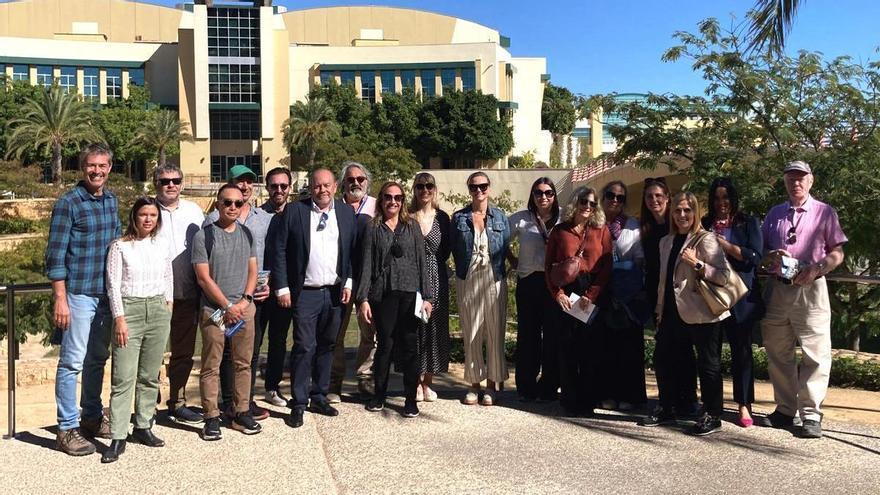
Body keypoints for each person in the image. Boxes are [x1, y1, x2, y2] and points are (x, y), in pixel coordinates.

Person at [757, 160, 846, 438]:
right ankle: (785, 409)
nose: (795, 182)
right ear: (785, 182)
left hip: (811, 289)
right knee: (777, 352)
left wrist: (817, 268)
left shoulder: (825, 212)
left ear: (810, 181)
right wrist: (769, 257)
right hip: (778, 289)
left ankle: (811, 414)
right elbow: (761, 252)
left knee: (816, 353)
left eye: (800, 178)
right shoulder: (774, 214)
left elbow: (838, 252)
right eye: (791, 178)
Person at [46, 143, 120, 456]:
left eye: (102, 166)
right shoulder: (69, 203)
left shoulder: (112, 201)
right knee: (72, 362)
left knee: (97, 359)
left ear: (110, 168)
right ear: (82, 167)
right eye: (92, 165)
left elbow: (118, 247)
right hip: (77, 294)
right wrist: (60, 298)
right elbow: (55, 254)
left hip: (105, 295)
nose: (97, 171)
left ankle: (91, 416)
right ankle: (66, 428)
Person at [270, 168, 357, 428]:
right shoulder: (295, 211)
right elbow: (280, 249)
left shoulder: (345, 213)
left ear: (335, 186)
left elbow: (350, 251)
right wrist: (282, 287)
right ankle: (299, 403)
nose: (322, 190)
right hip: (305, 293)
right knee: (304, 346)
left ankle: (319, 396)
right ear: (311, 187)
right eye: (318, 186)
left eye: (327, 185)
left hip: (334, 292)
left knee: (327, 345)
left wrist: (348, 281)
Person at [650, 192, 730, 436]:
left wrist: (697, 264)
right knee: (663, 359)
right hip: (671, 311)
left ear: (695, 213)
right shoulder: (666, 242)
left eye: (687, 210)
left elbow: (723, 276)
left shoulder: (705, 239)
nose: (682, 215)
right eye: (677, 210)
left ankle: (713, 414)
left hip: (702, 311)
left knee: (708, 364)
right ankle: (667, 407)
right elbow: (663, 280)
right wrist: (659, 308)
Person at [102, 197, 173, 463]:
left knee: (149, 375)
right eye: (143, 214)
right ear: (134, 217)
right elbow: (113, 285)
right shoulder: (120, 246)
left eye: (153, 215)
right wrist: (119, 318)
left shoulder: (161, 244)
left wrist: (168, 304)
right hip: (129, 311)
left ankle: (143, 425)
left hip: (157, 309)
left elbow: (168, 276)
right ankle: (118, 435)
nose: (148, 219)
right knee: (123, 377)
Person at [357, 182, 434, 417]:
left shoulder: (412, 226)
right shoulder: (373, 228)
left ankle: (410, 399)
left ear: (403, 201)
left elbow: (421, 262)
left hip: (409, 293)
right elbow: (366, 264)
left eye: (398, 198)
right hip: (383, 294)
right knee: (385, 346)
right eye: (388, 197)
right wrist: (363, 298)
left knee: (410, 346)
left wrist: (428, 296)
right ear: (381, 200)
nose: (393, 202)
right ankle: (379, 395)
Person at [192, 184, 261, 440]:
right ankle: (211, 416)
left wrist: (245, 300)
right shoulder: (204, 236)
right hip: (215, 310)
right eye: (227, 202)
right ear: (218, 204)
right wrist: (226, 306)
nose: (233, 207)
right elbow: (203, 278)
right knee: (212, 365)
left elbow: (253, 270)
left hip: (243, 309)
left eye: (238, 203)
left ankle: (241, 411)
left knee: (243, 363)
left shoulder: (247, 234)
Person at [204, 165, 272, 420]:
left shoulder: (262, 218)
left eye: (248, 182)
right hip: (219, 303)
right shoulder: (211, 221)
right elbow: (205, 269)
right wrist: (225, 304)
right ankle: (225, 403)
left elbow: (265, 257)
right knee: (222, 355)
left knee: (247, 354)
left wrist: (254, 293)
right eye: (239, 182)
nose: (244, 187)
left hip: (250, 298)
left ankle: (245, 402)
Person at [700, 177, 764, 428]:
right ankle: (711, 403)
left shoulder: (748, 222)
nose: (721, 202)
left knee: (742, 352)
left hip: (740, 297)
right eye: (716, 198)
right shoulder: (705, 223)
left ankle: (744, 403)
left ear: (733, 198)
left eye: (726, 197)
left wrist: (725, 245)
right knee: (710, 353)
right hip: (711, 295)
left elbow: (755, 257)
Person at [545, 187, 612, 417]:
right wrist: (558, 294)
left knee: (590, 349)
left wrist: (591, 295)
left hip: (591, 289)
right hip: (567, 291)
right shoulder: (560, 231)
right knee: (567, 347)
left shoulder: (601, 230)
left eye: (593, 203)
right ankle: (569, 400)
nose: (588, 207)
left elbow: (606, 266)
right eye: (584, 201)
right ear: (575, 202)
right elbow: (549, 266)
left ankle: (587, 400)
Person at [450, 172, 510, 406]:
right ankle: (474, 384)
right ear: (469, 190)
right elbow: (453, 247)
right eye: (474, 187)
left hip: (494, 277)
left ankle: (491, 386)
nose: (479, 191)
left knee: (495, 332)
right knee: (472, 331)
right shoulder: (459, 218)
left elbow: (505, 246)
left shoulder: (500, 217)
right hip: (468, 277)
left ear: (489, 188)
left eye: (483, 186)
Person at [640, 177, 698, 419]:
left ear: (667, 198)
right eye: (649, 196)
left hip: (682, 295)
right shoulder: (646, 229)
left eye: (658, 196)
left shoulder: (677, 228)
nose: (654, 200)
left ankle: (688, 401)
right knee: (664, 351)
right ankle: (668, 402)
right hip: (659, 295)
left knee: (683, 350)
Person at [154, 164, 207, 426]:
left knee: (183, 352)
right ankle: (147, 407)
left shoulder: (194, 211)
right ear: (156, 184)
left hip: (187, 293)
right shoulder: (148, 211)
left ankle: (178, 402)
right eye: (165, 181)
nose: (171, 185)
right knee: (151, 354)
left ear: (182, 183)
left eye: (175, 180)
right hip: (155, 295)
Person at [507, 177, 560, 403]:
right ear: (532, 195)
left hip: (554, 283)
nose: (543, 197)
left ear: (554, 195)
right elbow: (500, 240)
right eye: (538, 193)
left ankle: (549, 387)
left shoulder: (563, 218)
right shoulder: (521, 218)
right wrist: (513, 260)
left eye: (548, 193)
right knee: (528, 336)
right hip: (529, 280)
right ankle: (526, 387)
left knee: (553, 336)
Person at [329, 161, 378, 403]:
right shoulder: (334, 208)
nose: (355, 183)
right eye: (350, 179)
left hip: (370, 278)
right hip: (342, 279)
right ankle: (334, 382)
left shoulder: (377, 206)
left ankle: (365, 378)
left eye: (360, 179)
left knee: (369, 332)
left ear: (367, 182)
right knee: (336, 332)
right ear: (343, 184)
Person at [598, 180, 648, 411]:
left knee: (628, 347)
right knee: (603, 346)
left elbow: (639, 258)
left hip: (627, 294)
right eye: (611, 195)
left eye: (620, 197)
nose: (615, 200)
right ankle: (606, 393)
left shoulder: (632, 225)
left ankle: (629, 395)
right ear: (603, 197)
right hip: (600, 291)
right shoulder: (594, 222)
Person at [409, 172, 451, 402]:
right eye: (420, 186)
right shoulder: (407, 216)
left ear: (434, 190)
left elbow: (446, 250)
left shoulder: (442, 218)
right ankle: (414, 381)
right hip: (412, 277)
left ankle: (428, 382)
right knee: (414, 330)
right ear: (414, 189)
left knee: (434, 330)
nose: (425, 190)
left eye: (429, 186)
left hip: (437, 277)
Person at [260, 167, 296, 408]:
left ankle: (272, 387)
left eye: (283, 186)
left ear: (290, 188)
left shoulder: (297, 214)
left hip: (285, 290)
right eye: (274, 186)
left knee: (279, 341)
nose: (279, 190)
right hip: (259, 290)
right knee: (252, 343)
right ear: (267, 188)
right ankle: (241, 393)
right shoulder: (257, 215)